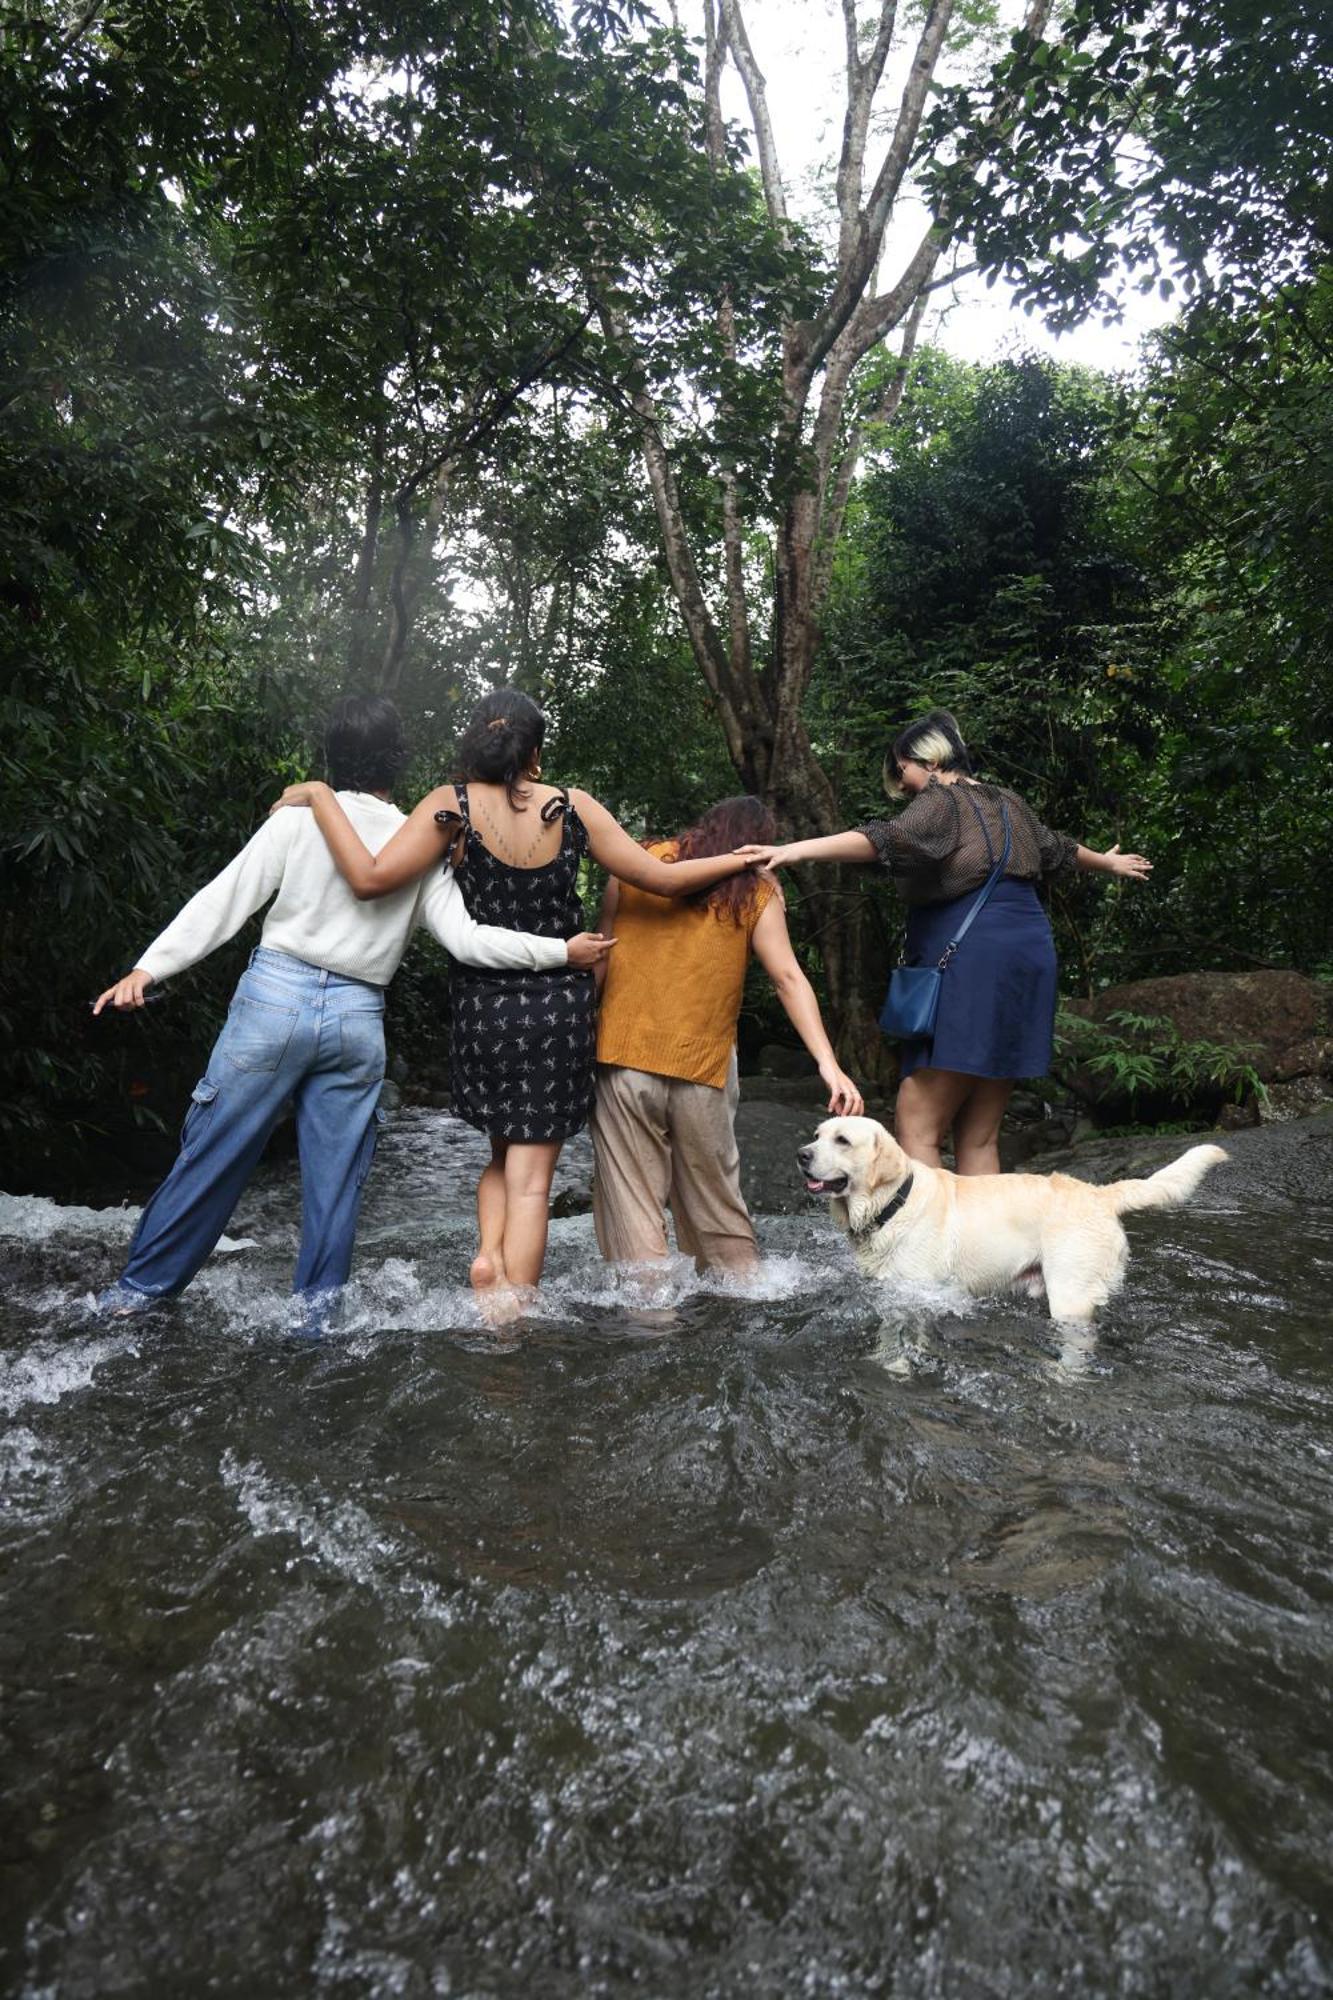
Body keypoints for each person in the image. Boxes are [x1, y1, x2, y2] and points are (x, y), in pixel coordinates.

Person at [92, 695, 614, 1324]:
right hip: (358, 1019)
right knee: (336, 1188)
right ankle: (316, 1323)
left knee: (214, 1157)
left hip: (275, 1003)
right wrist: (561, 949)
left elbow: (224, 899)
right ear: (398, 762)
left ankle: (135, 1301)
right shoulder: (427, 838)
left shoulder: (302, 817)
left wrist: (151, 967)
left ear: (330, 759)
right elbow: (469, 940)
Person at [271, 689, 758, 1312]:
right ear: (534, 750)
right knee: (533, 1182)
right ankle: (512, 1313)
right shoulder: (572, 806)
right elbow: (658, 878)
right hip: (558, 1008)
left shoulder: (451, 806)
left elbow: (368, 879)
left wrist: (318, 796)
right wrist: (739, 859)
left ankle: (488, 1257)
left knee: (500, 1154)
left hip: (482, 1010)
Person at [738, 710, 1151, 1176]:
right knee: (979, 1135)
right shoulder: (1009, 802)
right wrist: (1109, 864)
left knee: (917, 1123)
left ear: (930, 761)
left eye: (902, 769)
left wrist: (794, 850)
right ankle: (990, 1250)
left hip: (973, 960)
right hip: (1028, 956)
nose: (903, 782)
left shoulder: (943, 799)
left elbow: (887, 839)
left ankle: (931, 1250)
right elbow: (1059, 848)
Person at [589, 795, 864, 1275]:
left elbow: (600, 958)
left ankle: (647, 1316)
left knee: (632, 1200)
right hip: (704, 1066)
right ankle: (739, 1292)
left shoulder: (637, 863)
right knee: (716, 1198)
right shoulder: (756, 889)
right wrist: (828, 1062)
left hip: (624, 1054)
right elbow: (788, 978)